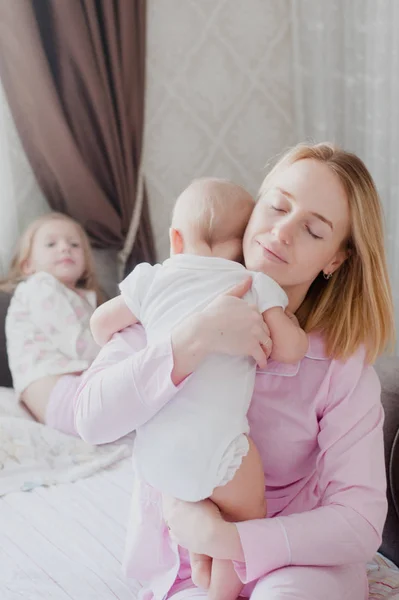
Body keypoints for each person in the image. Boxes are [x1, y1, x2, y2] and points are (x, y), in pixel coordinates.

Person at [74, 143, 394, 600]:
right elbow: (90, 421)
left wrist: (227, 540)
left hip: (298, 562)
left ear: (335, 260)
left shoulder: (339, 365)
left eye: (313, 229)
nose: (281, 232)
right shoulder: (169, 301)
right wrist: (193, 339)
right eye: (277, 206)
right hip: (191, 571)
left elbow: (360, 523)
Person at [90, 178, 308, 599]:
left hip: (155, 459)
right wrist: (291, 326)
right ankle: (220, 590)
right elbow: (291, 350)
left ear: (175, 238)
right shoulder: (253, 284)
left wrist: (132, 336)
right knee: (245, 512)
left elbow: (100, 323)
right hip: (218, 451)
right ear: (246, 240)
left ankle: (202, 567)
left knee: (206, 501)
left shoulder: (151, 279)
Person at [4, 212, 101, 435]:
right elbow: (79, 345)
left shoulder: (81, 298)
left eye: (74, 244)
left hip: (72, 390)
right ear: (28, 265)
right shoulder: (40, 286)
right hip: (57, 392)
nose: (65, 248)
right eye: (51, 244)